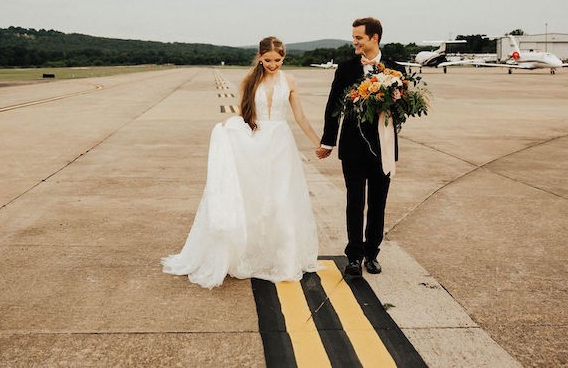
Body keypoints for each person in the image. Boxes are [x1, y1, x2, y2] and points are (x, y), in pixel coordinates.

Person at [163, 36, 321, 288]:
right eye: (267, 60)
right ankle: (250, 252)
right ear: (260, 57)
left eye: (277, 60)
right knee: (255, 199)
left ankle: (285, 259)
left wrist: (318, 142)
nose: (273, 64)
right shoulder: (250, 80)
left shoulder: (290, 80)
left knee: (281, 199)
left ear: (284, 58)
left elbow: (300, 116)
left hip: (281, 144)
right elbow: (242, 112)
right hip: (254, 143)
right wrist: (226, 127)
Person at [316, 17, 404, 277]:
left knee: (378, 204)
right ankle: (354, 256)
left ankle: (372, 254)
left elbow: (403, 110)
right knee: (354, 202)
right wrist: (328, 141)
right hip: (353, 147)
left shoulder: (396, 70)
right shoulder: (346, 68)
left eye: (359, 38)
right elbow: (333, 106)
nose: (354, 42)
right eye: (353, 37)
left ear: (374, 38)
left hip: (383, 147)